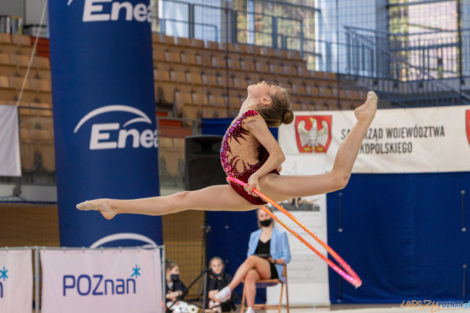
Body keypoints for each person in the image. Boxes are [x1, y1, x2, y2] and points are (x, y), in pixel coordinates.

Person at [76, 81, 378, 217]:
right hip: (243, 190)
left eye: (268, 86)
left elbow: (278, 155)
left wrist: (258, 176)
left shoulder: (251, 117)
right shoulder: (246, 113)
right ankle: (114, 206)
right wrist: (254, 178)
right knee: (180, 200)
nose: (262, 82)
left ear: (265, 102)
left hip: (261, 186)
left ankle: (363, 119)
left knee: (337, 179)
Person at [212, 207, 290, 313]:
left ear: (272, 216)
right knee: (249, 274)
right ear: (258, 218)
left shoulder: (281, 235)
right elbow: (250, 255)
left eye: (266, 215)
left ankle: (229, 289)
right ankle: (250, 309)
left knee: (253, 258)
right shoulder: (254, 235)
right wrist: (256, 260)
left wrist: (274, 261)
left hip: (272, 268)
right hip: (257, 268)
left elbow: (287, 257)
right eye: (261, 216)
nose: (264, 218)